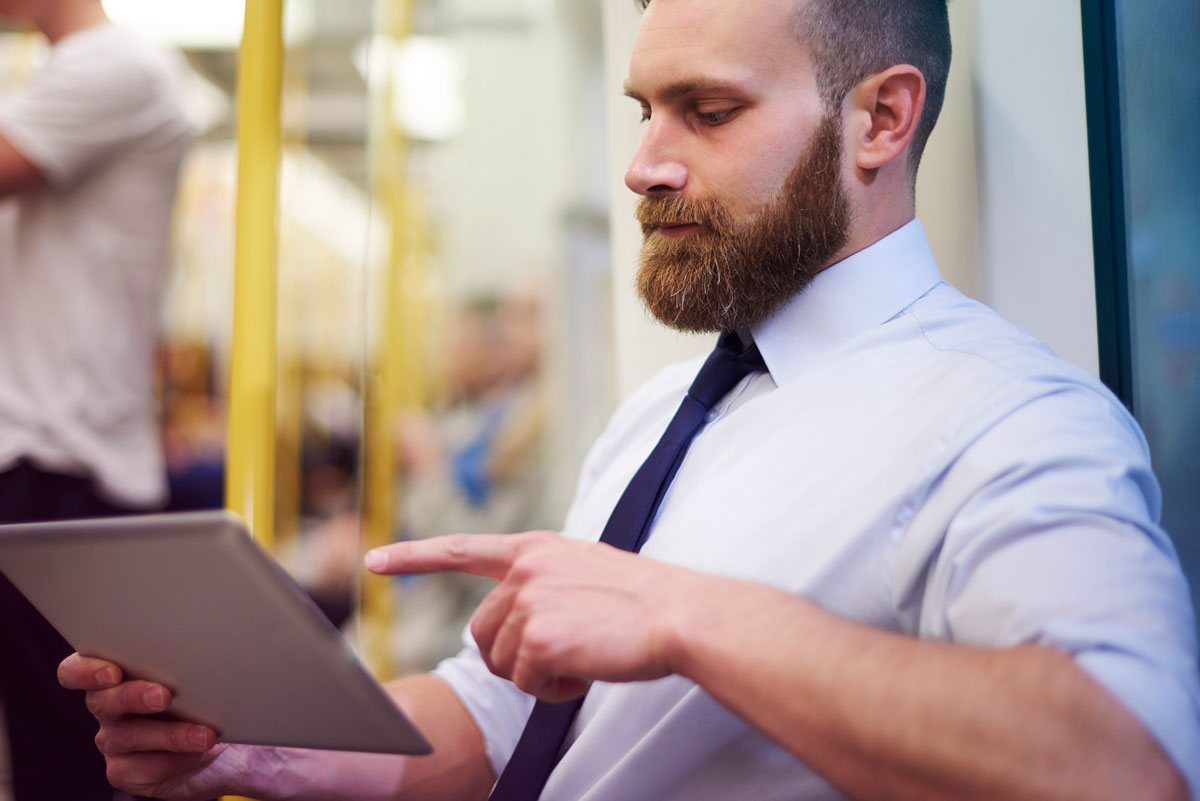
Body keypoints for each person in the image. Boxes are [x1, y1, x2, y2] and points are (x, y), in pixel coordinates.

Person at [60, 0, 1199, 799]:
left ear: (881, 121)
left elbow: (1125, 762)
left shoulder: (1009, 417)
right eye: (643, 109)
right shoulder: (660, 417)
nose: (644, 164)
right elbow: (510, 727)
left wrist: (686, 616)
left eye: (707, 112)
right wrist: (254, 752)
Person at [0, 0, 190, 799]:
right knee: (56, 751)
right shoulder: (73, 74)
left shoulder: (114, 68)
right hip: (48, 456)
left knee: (69, 760)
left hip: (59, 464)